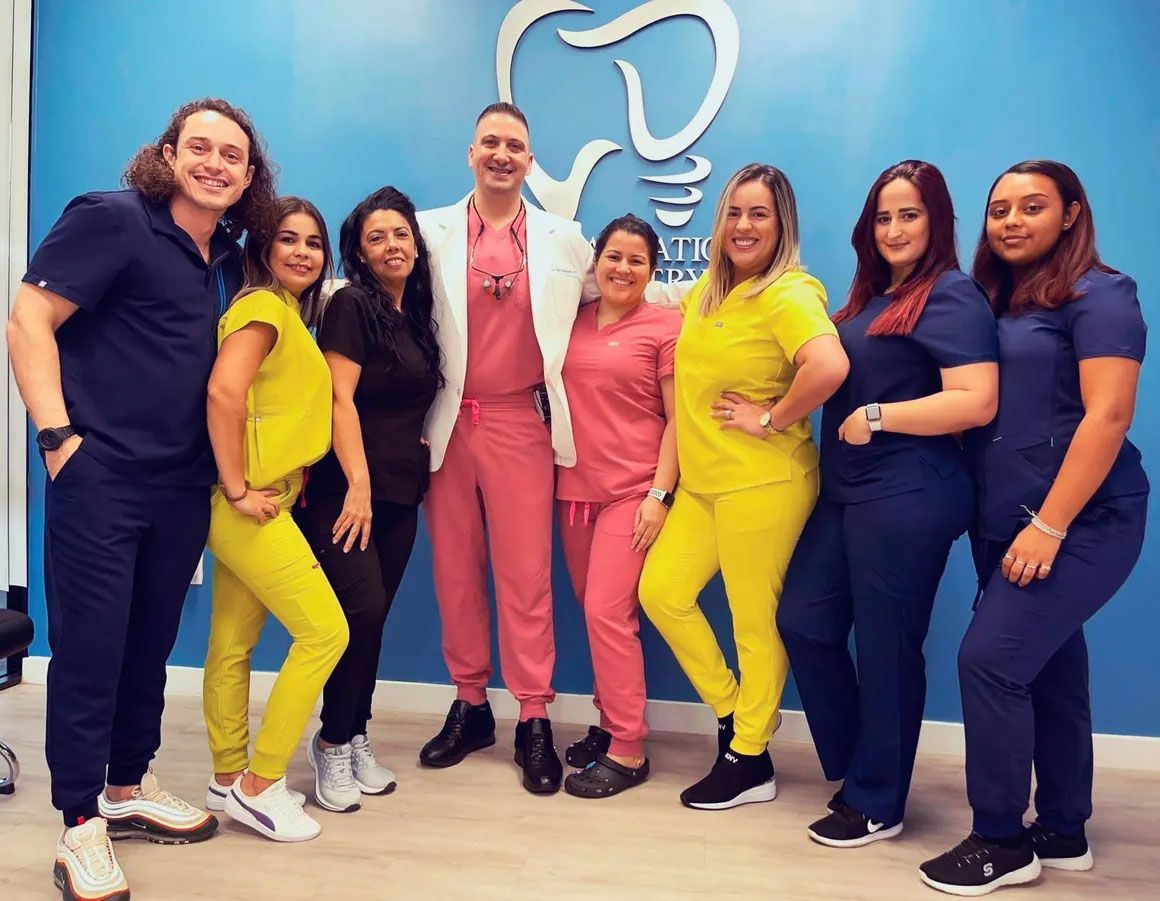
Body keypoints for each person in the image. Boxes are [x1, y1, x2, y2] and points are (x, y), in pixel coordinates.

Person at [7, 98, 275, 900]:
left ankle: (126, 786)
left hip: (181, 486)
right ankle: (79, 825)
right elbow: (28, 319)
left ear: (249, 175)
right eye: (200, 147)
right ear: (167, 153)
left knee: (148, 647)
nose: (216, 164)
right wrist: (59, 442)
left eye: (233, 155)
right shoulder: (112, 219)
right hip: (102, 480)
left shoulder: (224, 255)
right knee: (90, 653)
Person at [919, 160, 1148, 895]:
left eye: (1032, 206)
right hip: (1004, 518)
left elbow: (1108, 415)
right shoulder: (997, 300)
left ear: (1072, 214)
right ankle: (1063, 826)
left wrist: (1050, 525)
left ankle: (1000, 840)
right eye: (999, 209)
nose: (1011, 220)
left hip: (1080, 518)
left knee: (990, 660)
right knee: (1050, 668)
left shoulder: (1102, 294)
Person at [776, 160, 998, 847]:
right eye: (884, 216)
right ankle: (861, 767)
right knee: (805, 620)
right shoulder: (871, 299)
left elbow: (975, 399)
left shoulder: (952, 294)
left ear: (936, 221)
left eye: (910, 214)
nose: (895, 228)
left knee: (886, 647)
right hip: (848, 491)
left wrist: (878, 415)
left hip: (909, 490)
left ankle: (878, 801)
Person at [638, 163, 849, 810]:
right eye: (734, 212)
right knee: (662, 592)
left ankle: (750, 755)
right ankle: (736, 711)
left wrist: (772, 416)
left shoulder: (788, 293)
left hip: (764, 484)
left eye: (759, 213)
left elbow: (830, 364)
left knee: (754, 624)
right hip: (704, 485)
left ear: (781, 222)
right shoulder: (711, 289)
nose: (744, 225)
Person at [415, 102, 596, 795]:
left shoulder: (565, 238)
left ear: (529, 159)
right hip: (448, 421)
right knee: (455, 571)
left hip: (523, 420)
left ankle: (533, 717)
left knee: (526, 576)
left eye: (514, 145)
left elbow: (609, 298)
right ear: (470, 152)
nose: (501, 153)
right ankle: (470, 703)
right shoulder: (430, 231)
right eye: (489, 141)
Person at [201, 197, 349, 843]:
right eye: (287, 239)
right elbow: (222, 392)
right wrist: (237, 487)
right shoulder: (262, 307)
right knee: (325, 632)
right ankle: (260, 785)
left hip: (263, 495)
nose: (301, 252)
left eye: (313, 243)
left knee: (232, 647)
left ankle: (226, 775)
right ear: (263, 249)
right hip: (250, 501)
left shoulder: (285, 311)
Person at [292, 187, 441, 811]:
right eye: (376, 238)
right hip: (346, 493)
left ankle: (355, 733)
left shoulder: (414, 314)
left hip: (401, 492)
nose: (392, 246)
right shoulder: (351, 304)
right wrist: (357, 485)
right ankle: (329, 744)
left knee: (373, 622)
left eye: (400, 234)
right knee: (359, 614)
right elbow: (337, 398)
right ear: (358, 251)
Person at [554, 214, 680, 799]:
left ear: (652, 270)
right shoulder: (571, 321)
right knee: (596, 615)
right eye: (613, 256)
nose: (622, 268)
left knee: (608, 613)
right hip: (574, 494)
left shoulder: (665, 326)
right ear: (596, 262)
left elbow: (680, 419)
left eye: (635, 260)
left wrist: (659, 494)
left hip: (634, 493)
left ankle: (628, 748)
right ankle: (609, 724)